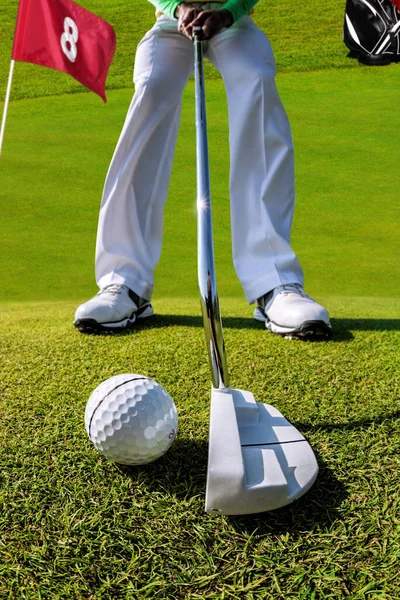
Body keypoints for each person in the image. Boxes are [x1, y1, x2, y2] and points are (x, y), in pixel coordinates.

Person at [74, 0, 332, 340]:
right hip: (171, 23)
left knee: (256, 79)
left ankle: (274, 281)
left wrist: (228, 12)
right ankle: (124, 281)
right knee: (153, 85)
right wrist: (176, 7)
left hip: (235, 21)